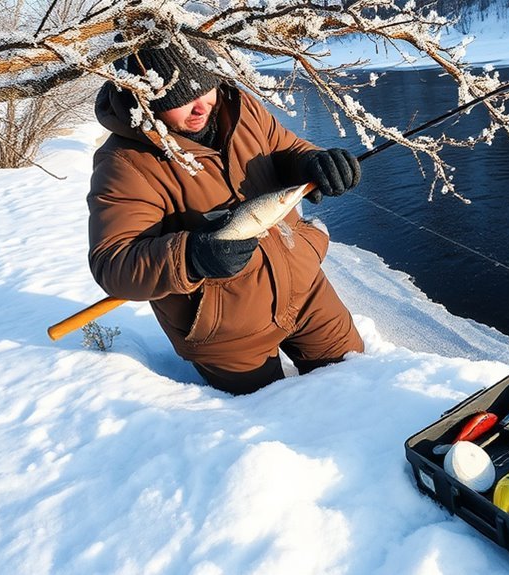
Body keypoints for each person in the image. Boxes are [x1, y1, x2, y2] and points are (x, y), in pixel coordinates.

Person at [87, 38, 364, 395]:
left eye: (206, 88)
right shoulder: (123, 164)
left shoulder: (239, 107)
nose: (201, 106)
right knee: (276, 421)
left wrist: (314, 162)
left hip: (304, 287)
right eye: (180, 99)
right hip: (227, 330)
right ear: (145, 98)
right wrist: (193, 256)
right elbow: (113, 263)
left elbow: (284, 148)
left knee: (360, 383)